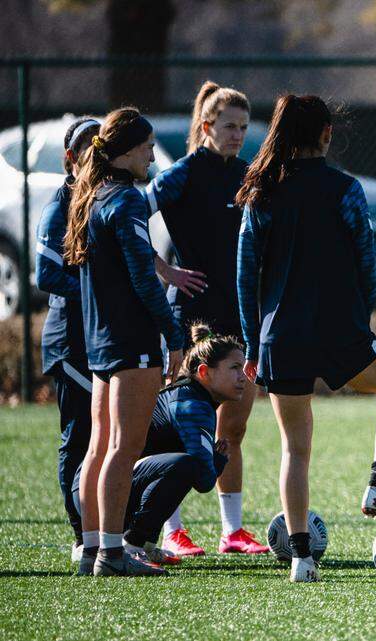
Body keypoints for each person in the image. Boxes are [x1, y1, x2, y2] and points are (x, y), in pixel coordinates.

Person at [236, 94, 376, 583]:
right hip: (340, 328)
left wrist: (254, 344)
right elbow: (367, 260)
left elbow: (245, 274)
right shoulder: (345, 188)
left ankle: (300, 559)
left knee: (295, 449)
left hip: (281, 336)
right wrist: (361, 317)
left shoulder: (259, 192)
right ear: (326, 134)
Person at [144, 80, 269, 557]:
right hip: (188, 317)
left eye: (243, 127)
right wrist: (165, 269)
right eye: (228, 126)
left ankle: (232, 530)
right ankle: (170, 530)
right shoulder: (181, 174)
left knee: (231, 428)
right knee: (174, 427)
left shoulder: (248, 175)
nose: (237, 134)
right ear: (206, 126)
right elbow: (130, 215)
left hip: (236, 315)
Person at [64, 107, 186, 577]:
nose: (153, 154)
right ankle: (113, 555)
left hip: (99, 341)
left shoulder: (90, 195)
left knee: (100, 446)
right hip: (130, 340)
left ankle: (93, 547)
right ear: (130, 149)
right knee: (123, 448)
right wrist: (172, 336)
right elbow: (142, 276)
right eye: (149, 146)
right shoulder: (128, 199)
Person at [71, 324, 244, 574]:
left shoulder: (195, 396)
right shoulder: (192, 405)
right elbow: (204, 480)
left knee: (181, 464)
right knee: (185, 465)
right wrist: (217, 460)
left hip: (94, 489)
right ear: (205, 372)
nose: (243, 377)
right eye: (234, 368)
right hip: (101, 493)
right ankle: (132, 545)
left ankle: (145, 543)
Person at [35, 116, 100, 560]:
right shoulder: (61, 205)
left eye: (102, 146)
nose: (95, 155)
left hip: (101, 337)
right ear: (69, 159)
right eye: (87, 148)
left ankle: (119, 531)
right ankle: (83, 536)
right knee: (79, 437)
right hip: (71, 341)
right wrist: (100, 291)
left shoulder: (109, 200)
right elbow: (45, 274)